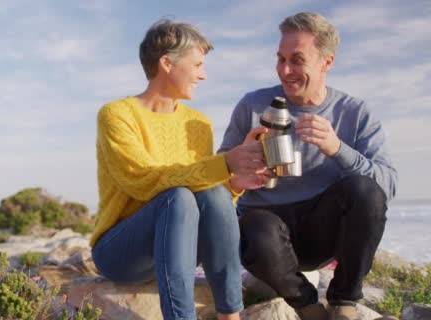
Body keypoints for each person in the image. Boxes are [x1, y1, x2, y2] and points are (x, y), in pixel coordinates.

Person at [218, 12, 398, 320]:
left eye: (297, 60)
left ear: (326, 62)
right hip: (264, 232)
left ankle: (343, 302)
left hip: (322, 230)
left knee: (365, 190)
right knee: (256, 226)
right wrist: (240, 165)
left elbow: (386, 186)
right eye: (281, 59)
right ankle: (308, 306)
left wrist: (337, 149)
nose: (285, 71)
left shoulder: (354, 112)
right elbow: (218, 176)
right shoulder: (252, 106)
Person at [90, 19, 267, 320]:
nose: (203, 74)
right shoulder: (117, 115)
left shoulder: (198, 124)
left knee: (211, 195)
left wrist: (235, 181)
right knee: (178, 198)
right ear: (167, 63)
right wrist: (223, 163)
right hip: (121, 252)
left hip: (180, 246)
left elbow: (207, 196)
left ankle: (231, 315)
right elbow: (142, 182)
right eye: (197, 64)